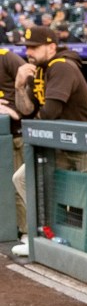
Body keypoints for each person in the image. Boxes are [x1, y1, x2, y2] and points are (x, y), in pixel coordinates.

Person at [9, 27, 87, 258]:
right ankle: (45, 237)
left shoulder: (61, 66)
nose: (29, 52)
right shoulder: (39, 71)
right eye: (27, 47)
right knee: (22, 179)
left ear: (51, 46)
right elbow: (27, 110)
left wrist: (34, 123)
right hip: (62, 144)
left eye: (34, 47)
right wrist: (19, 85)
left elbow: (50, 112)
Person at [0, 47, 27, 238]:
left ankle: (28, 232)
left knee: (20, 184)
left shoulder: (6, 57)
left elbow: (28, 78)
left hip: (17, 133)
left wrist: (12, 106)